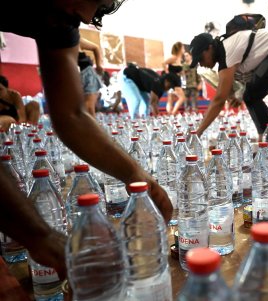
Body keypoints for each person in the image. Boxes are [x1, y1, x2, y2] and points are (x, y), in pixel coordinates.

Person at [0, 0, 172, 280]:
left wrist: (136, 174)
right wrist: (39, 236)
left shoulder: (60, 16)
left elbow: (72, 114)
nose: (84, 15)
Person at [189, 30, 268, 139]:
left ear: (209, 48)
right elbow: (243, 84)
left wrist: (198, 132)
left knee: (252, 96)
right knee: (250, 96)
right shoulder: (225, 55)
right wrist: (239, 94)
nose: (201, 64)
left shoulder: (227, 52)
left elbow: (219, 99)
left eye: (200, 59)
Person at [78, 38, 104, 116]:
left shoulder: (75, 38)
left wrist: (99, 65)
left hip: (87, 74)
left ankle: (90, 127)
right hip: (70, 76)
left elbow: (95, 48)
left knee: (89, 108)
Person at [162, 41, 186, 115]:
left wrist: (181, 73)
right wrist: (167, 72)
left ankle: (170, 114)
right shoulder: (174, 57)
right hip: (173, 80)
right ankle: (173, 113)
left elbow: (177, 69)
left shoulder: (179, 59)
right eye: (183, 47)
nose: (184, 49)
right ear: (179, 48)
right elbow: (163, 63)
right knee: (182, 97)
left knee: (170, 99)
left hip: (176, 79)